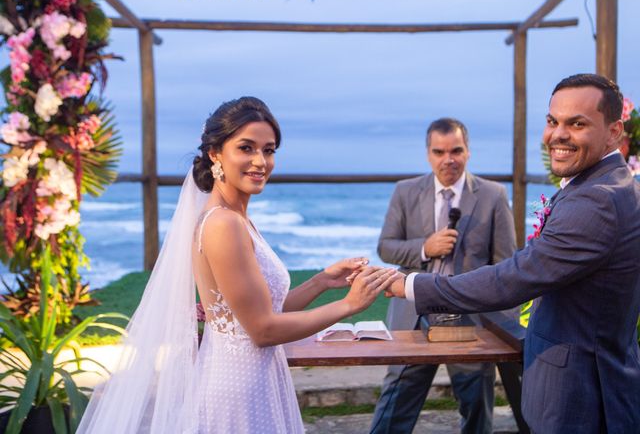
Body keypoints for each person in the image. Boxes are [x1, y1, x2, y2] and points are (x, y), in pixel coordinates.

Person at [78, 96, 400, 434]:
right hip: (236, 390)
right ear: (216, 153)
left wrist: (321, 281)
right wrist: (349, 305)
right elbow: (262, 330)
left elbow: (259, 308)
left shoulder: (237, 219)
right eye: (246, 148)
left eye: (269, 150)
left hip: (258, 381)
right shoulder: (223, 225)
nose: (260, 161)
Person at [386, 74, 640, 433]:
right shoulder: (607, 185)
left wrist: (410, 286)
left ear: (615, 132)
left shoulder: (597, 199)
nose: (558, 134)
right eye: (553, 121)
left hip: (580, 397)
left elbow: (514, 276)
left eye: (577, 123)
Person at [370, 118, 517, 434]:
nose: (448, 160)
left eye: (456, 151)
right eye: (439, 152)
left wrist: (504, 328)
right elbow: (386, 247)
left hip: (471, 318)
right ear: (428, 154)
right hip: (414, 312)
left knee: (477, 405)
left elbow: (506, 266)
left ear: (468, 151)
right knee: (396, 403)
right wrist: (425, 247)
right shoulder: (405, 191)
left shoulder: (493, 195)